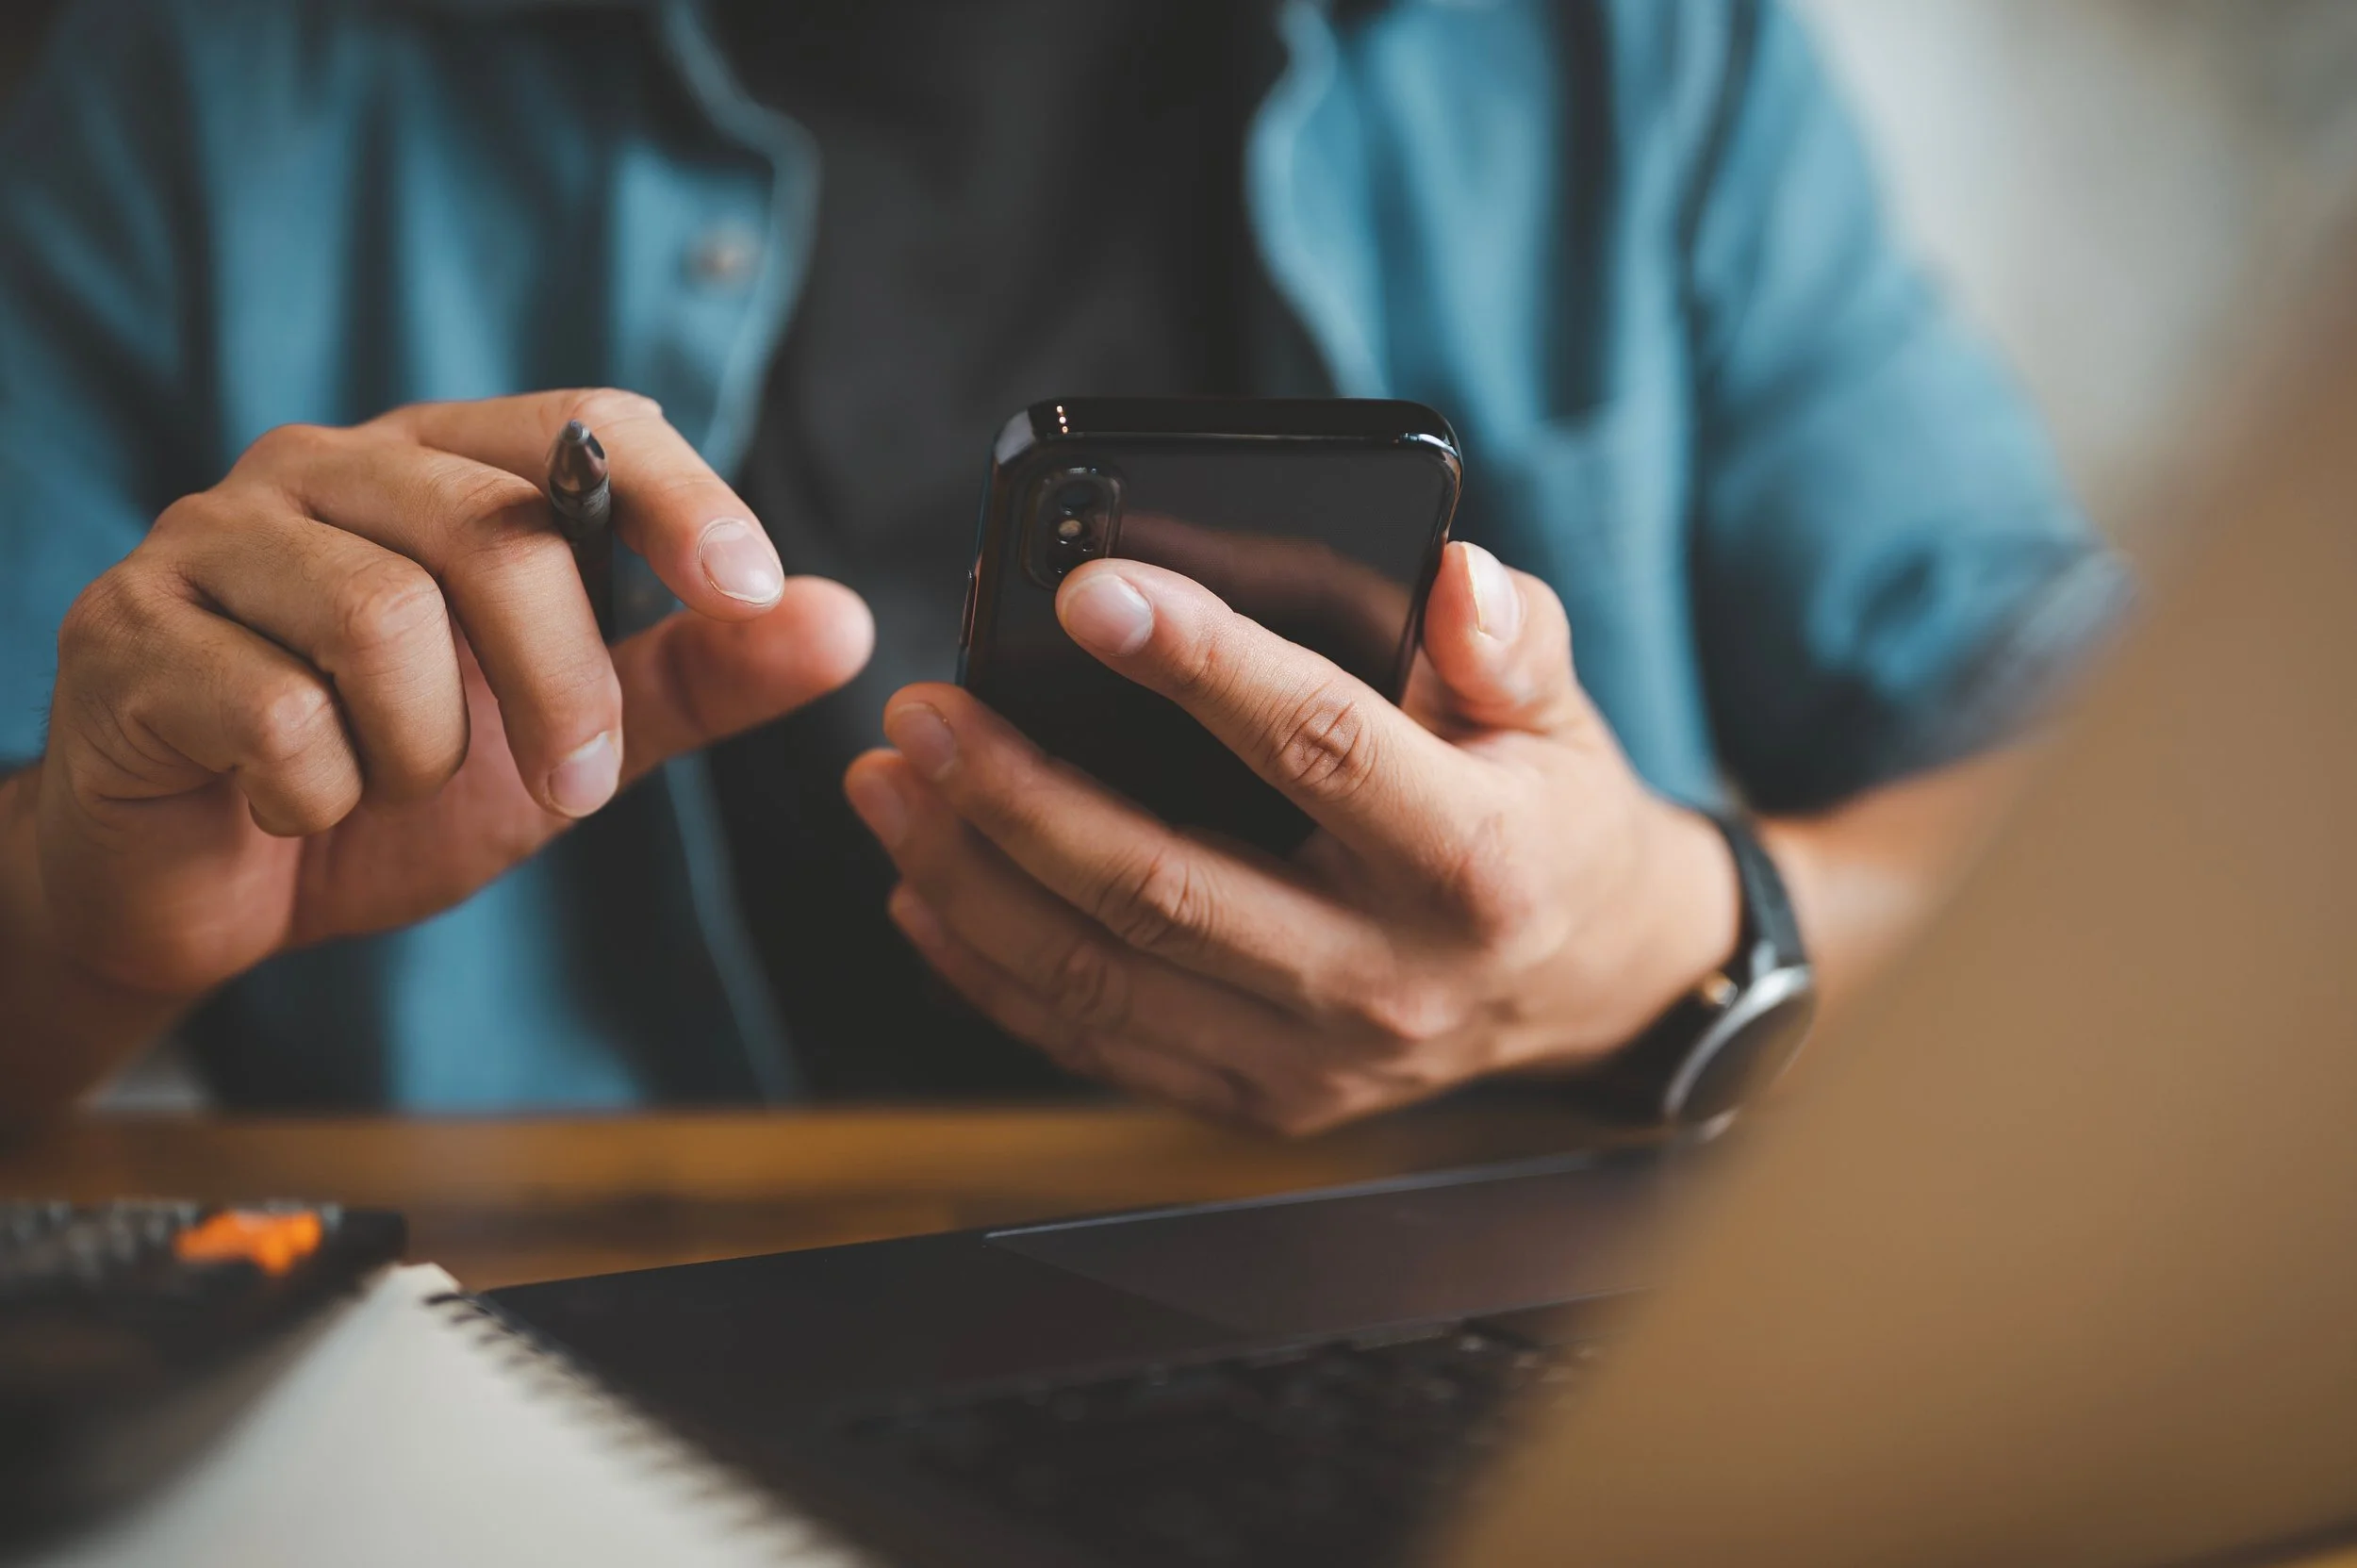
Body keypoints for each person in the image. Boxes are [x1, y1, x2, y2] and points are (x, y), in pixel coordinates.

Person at [0, 0, 2120, 1126]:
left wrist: (1675, 934)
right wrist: (82, 927)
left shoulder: (1624, 49)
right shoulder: (197, 87)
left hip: (1493, 1369)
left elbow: (2163, 848)